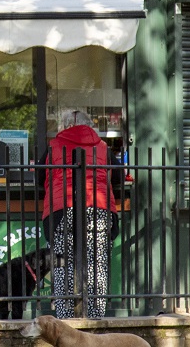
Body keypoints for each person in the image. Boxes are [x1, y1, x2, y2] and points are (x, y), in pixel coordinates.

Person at [40, 109, 118, 319]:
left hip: (61, 209)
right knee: (96, 264)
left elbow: (39, 178)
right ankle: (95, 318)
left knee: (62, 264)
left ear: (65, 126)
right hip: (98, 208)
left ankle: (65, 318)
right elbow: (118, 177)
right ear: (89, 126)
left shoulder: (53, 146)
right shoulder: (103, 148)